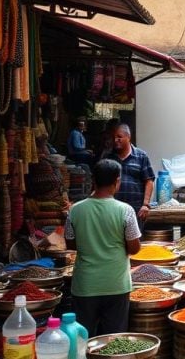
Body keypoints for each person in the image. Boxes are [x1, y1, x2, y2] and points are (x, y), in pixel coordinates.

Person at [65, 159, 142, 336]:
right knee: (113, 341)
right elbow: (134, 248)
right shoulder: (126, 210)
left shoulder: (75, 210)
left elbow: (70, 243)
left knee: (83, 339)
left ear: (93, 180)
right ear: (117, 181)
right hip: (116, 285)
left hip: (85, 286)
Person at [106, 124, 154, 224]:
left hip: (136, 209)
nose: (115, 140)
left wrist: (145, 204)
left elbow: (149, 181)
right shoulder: (109, 157)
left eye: (119, 137)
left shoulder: (141, 156)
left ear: (128, 137)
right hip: (113, 208)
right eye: (114, 137)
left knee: (134, 238)